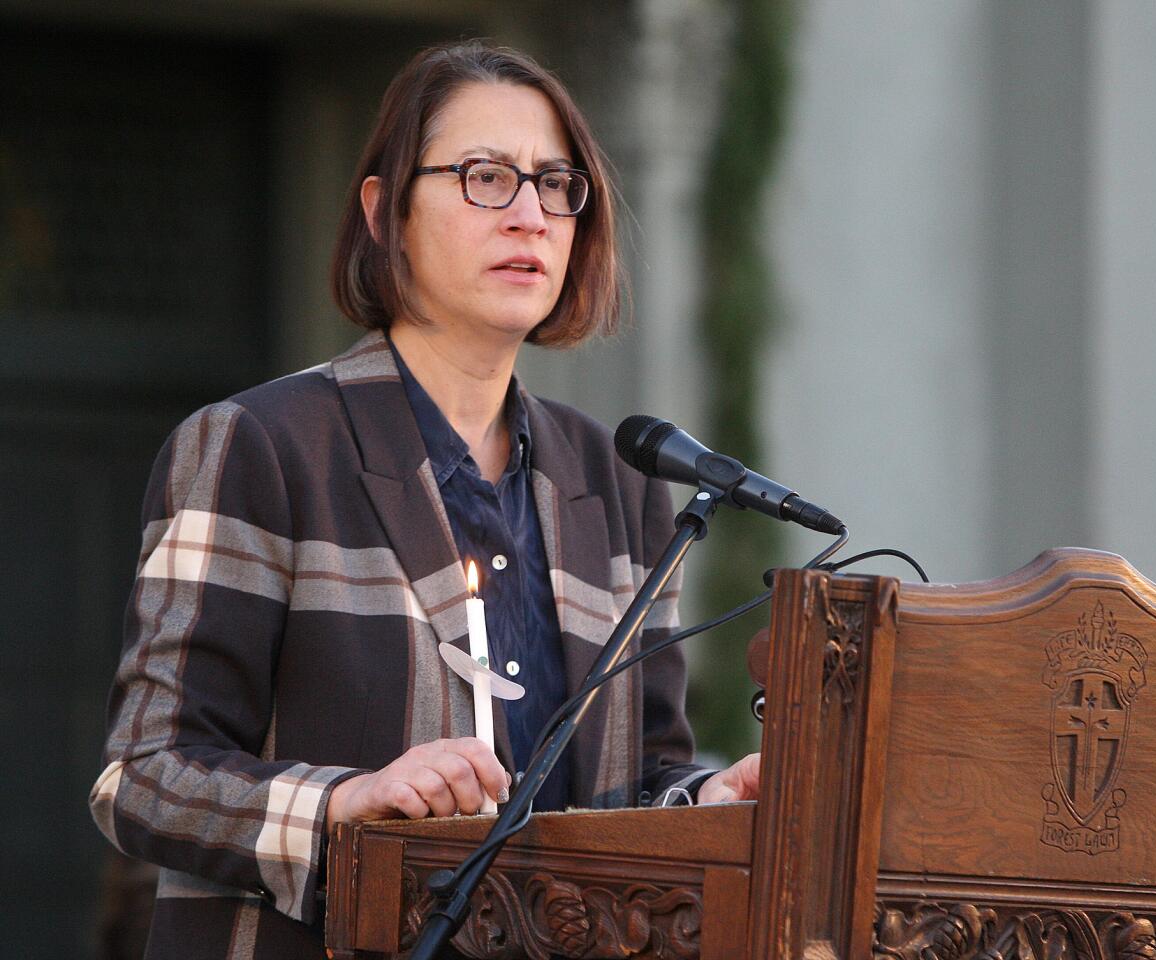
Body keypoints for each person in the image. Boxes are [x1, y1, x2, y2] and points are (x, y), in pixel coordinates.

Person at [89, 42, 760, 959]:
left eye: (557, 184)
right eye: (486, 177)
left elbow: (638, 778)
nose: (530, 214)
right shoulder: (261, 448)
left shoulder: (622, 483)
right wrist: (341, 806)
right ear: (384, 212)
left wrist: (705, 804)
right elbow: (144, 776)